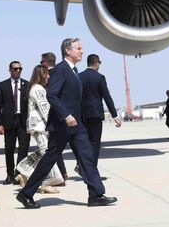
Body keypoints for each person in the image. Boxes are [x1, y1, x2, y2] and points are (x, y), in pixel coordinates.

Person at [16, 38, 117, 209]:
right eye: (78, 48)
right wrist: (65, 115)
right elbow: (52, 95)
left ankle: (96, 195)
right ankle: (25, 194)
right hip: (62, 126)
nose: (82, 51)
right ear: (68, 51)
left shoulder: (74, 71)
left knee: (87, 157)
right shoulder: (60, 70)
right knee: (49, 159)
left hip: (77, 126)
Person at [15, 65, 63, 193]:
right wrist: (53, 125)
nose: (48, 76)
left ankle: (24, 171)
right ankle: (49, 181)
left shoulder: (37, 88)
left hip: (39, 126)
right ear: (41, 75)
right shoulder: (38, 89)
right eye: (46, 74)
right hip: (40, 127)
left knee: (42, 152)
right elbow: (45, 110)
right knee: (48, 153)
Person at [78, 54, 122, 176]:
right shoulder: (99, 77)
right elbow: (107, 97)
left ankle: (82, 166)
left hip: (82, 115)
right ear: (96, 63)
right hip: (95, 115)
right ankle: (91, 172)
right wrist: (115, 116)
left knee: (84, 143)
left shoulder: (79, 76)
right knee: (95, 143)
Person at [0, 61, 31, 185]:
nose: (18, 71)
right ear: (10, 70)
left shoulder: (27, 85)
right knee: (9, 149)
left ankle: (19, 174)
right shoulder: (2, 85)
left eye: (20, 68)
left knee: (24, 148)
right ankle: (9, 175)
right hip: (9, 121)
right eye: (15, 69)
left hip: (23, 121)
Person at [41, 52, 68, 182]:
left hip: (57, 118)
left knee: (52, 151)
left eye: (42, 62)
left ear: (45, 63)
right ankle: (63, 173)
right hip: (64, 118)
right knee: (55, 151)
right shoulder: (62, 71)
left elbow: (52, 96)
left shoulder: (52, 74)